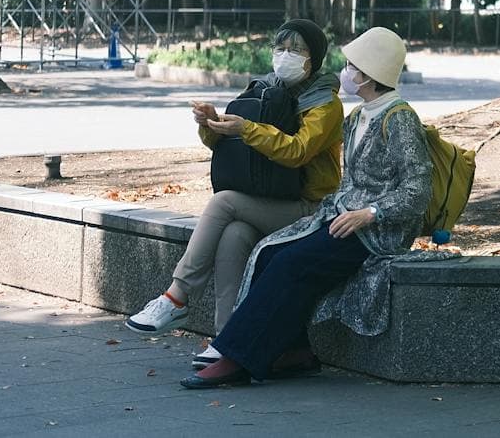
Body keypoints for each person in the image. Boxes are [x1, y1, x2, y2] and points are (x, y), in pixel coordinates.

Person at [182, 26, 433, 388]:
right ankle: (295, 352)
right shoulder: (357, 118)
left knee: (291, 262)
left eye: (352, 66)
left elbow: (417, 189)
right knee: (270, 253)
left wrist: (370, 213)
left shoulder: (399, 118)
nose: (346, 73)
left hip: (376, 232)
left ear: (371, 72)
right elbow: (350, 182)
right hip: (342, 217)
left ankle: (236, 357)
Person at [126, 18, 343, 359]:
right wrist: (211, 125)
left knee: (224, 202)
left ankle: (177, 297)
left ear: (313, 58)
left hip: (311, 208)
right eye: (281, 48)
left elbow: (298, 150)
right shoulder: (266, 88)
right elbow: (238, 148)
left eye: (296, 50)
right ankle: (226, 341)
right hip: (270, 199)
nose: (286, 56)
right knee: (234, 234)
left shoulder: (326, 104)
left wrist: (248, 129)